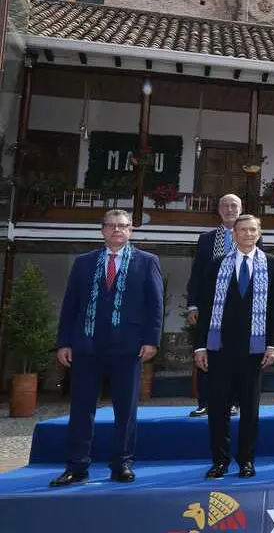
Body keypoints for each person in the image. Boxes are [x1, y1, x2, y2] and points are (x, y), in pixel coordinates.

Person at [50, 209, 163, 487]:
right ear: (102, 230)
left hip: (128, 348)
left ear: (131, 230)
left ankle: (122, 463)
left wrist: (152, 340)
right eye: (111, 226)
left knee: (125, 409)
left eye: (122, 226)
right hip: (86, 347)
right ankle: (77, 467)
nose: (116, 230)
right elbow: (70, 305)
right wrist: (64, 341)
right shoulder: (83, 263)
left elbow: (155, 305)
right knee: (81, 408)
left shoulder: (147, 262)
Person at [194, 214, 274, 479]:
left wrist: (273, 345)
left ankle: (247, 460)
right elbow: (206, 307)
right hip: (219, 347)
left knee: (250, 407)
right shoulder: (216, 265)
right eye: (242, 230)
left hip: (254, 349)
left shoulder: (273, 265)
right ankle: (219, 461)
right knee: (218, 407)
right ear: (233, 234)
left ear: (259, 233)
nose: (247, 234)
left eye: (252, 230)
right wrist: (200, 347)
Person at [185, 193, 241, 417]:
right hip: (210, 307)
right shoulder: (206, 239)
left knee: (236, 354)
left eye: (233, 205)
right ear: (218, 209)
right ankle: (205, 402)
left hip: (239, 307)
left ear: (240, 208)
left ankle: (235, 402)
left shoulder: (249, 236)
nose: (229, 209)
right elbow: (197, 273)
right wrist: (192, 305)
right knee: (206, 353)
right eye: (225, 205)